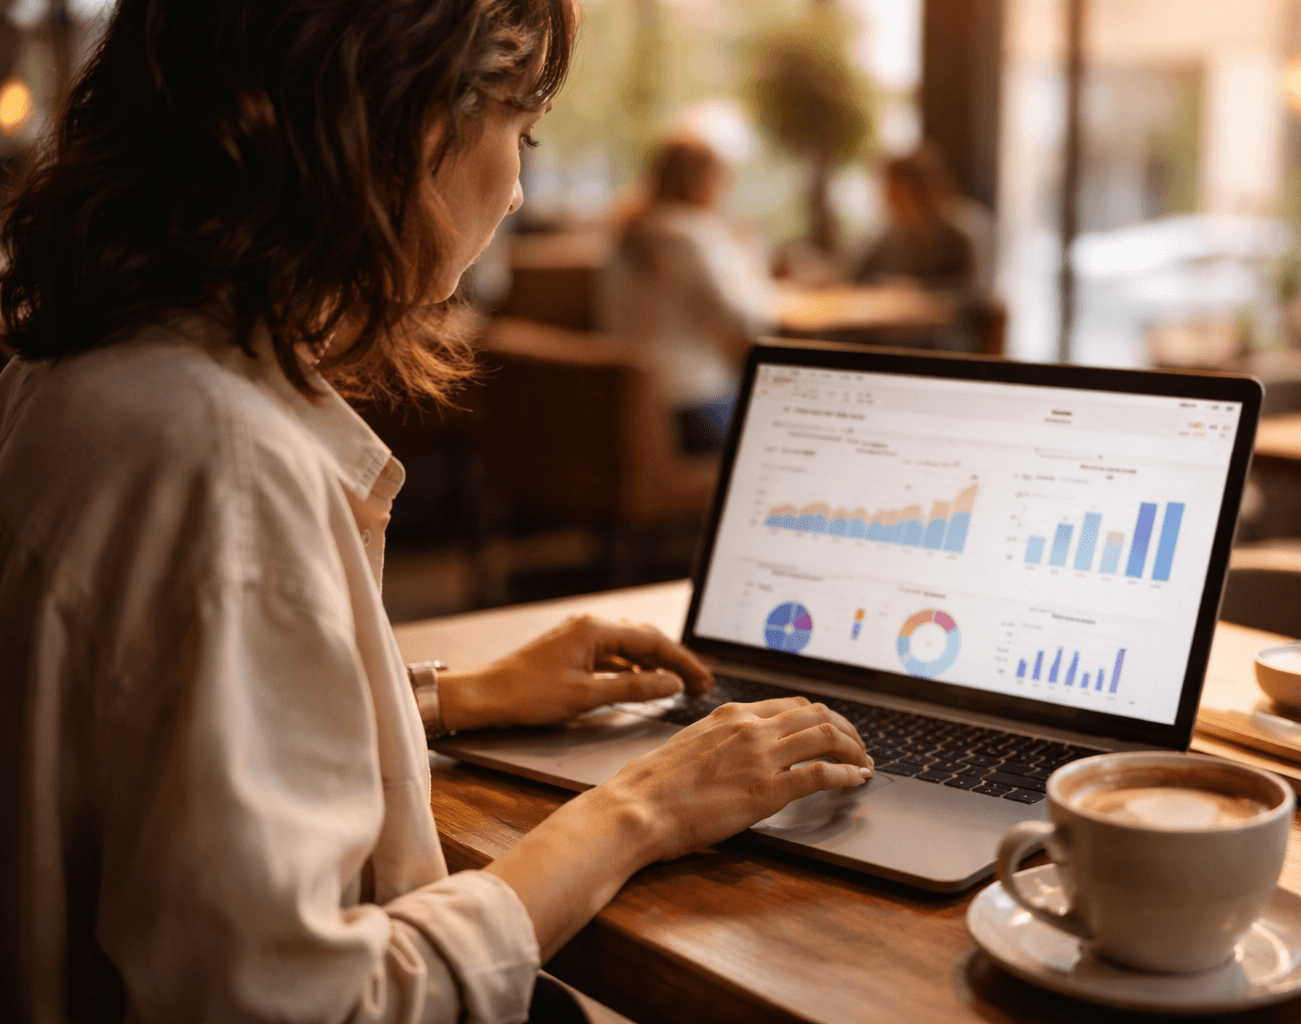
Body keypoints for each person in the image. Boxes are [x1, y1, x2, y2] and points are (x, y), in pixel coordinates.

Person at [0, 3, 872, 1022]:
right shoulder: (225, 466)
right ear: (410, 124)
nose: (512, 188)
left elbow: (151, 738)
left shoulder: (70, 365)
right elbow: (313, 1004)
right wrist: (644, 806)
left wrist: (454, 694)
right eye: (522, 128)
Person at [598, 137, 775, 454]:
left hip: (633, 405)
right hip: (692, 404)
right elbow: (751, 322)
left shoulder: (629, 230)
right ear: (707, 181)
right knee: (786, 428)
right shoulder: (691, 234)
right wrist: (750, 254)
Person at [852, 144, 996, 351]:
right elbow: (856, 274)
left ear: (919, 189)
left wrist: (919, 294)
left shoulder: (962, 233)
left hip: (946, 338)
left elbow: (975, 294)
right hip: (894, 333)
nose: (886, 199)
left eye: (894, 190)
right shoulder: (891, 235)